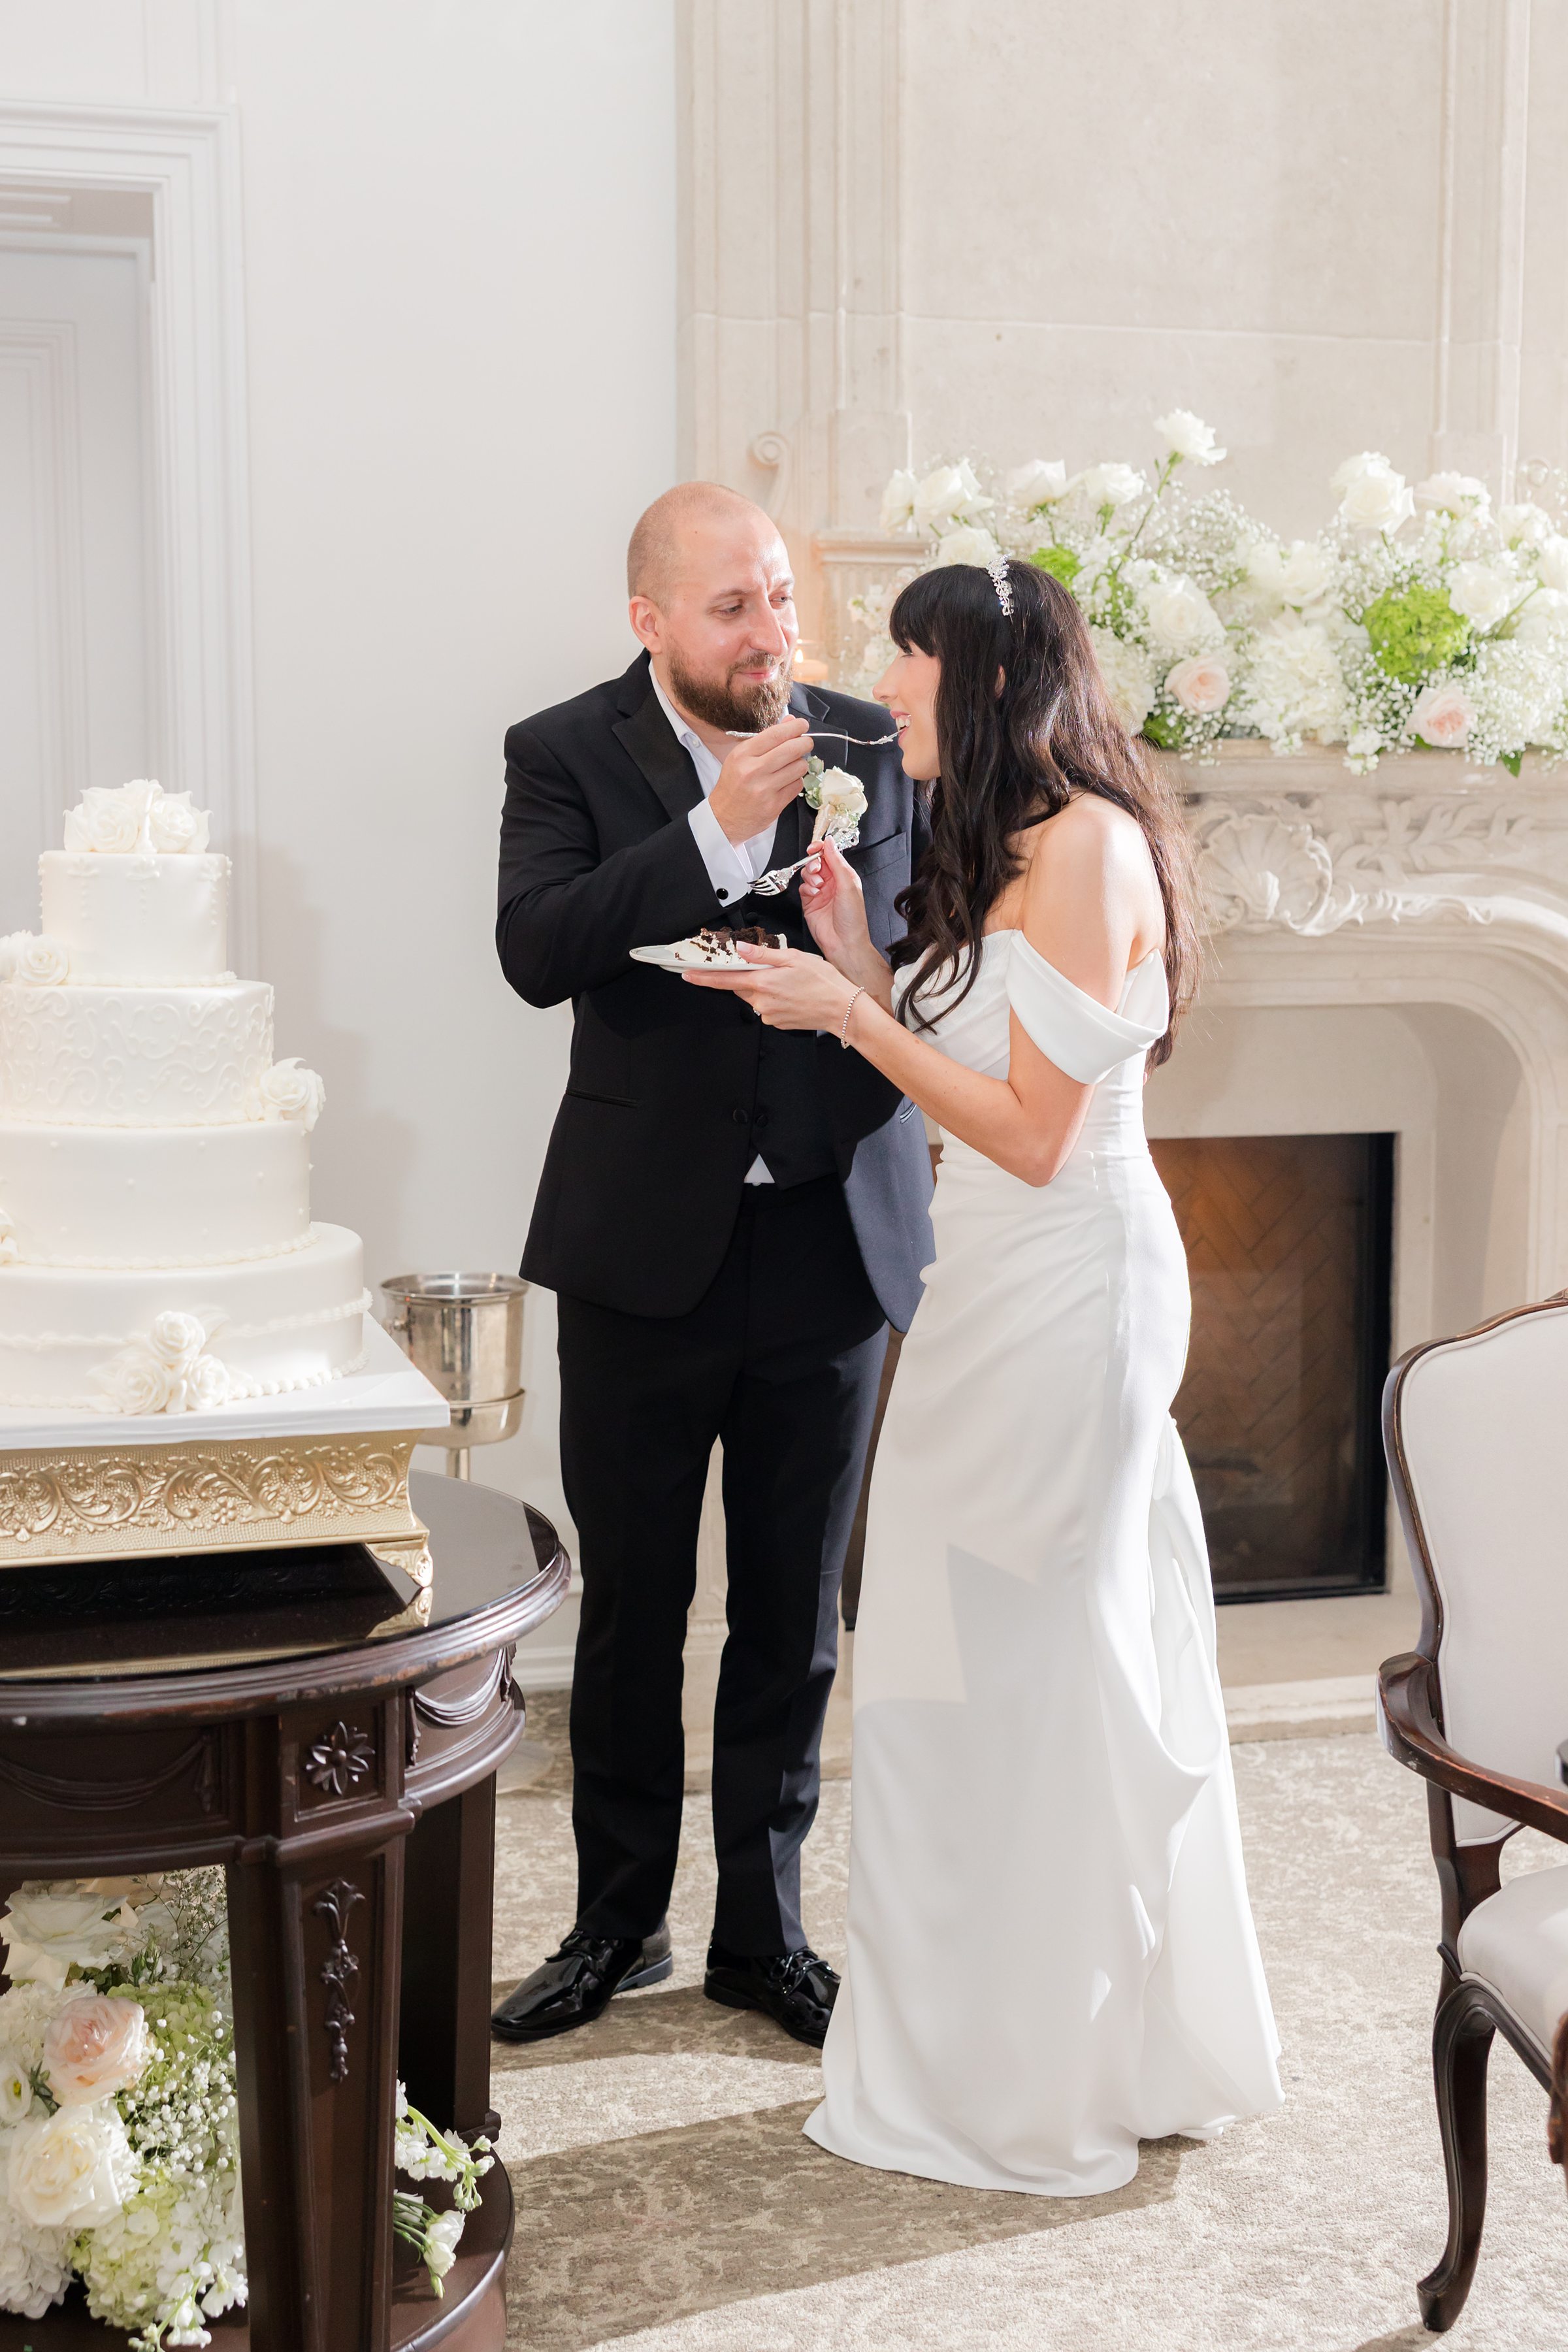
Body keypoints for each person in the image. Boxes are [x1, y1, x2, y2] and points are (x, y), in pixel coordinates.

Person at [685, 557, 1283, 2191]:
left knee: (1036, 1664)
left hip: (1070, 1283)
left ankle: (1044, 2070)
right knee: (950, 1660)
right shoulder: (994, 839)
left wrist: (843, 1017)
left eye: (909, 655)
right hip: (976, 1293)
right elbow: (967, 1067)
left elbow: (1030, 1136)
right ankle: (959, 2040)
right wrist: (850, 970)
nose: (882, 685)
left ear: (986, 676)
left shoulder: (1089, 848)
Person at [490, 483, 934, 2050]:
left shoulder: (869, 746)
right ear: (651, 623)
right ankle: (619, 1922)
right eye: (734, 608)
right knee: (634, 1610)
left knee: (795, 1613)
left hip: (830, 1238)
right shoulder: (561, 753)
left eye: (781, 600)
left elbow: (920, 957)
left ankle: (766, 1929)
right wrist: (712, 832)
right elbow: (540, 947)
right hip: (640, 1251)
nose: (772, 637)